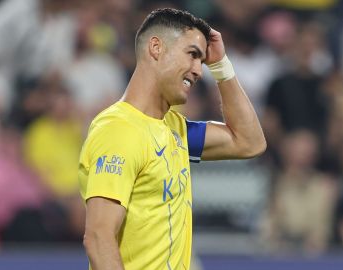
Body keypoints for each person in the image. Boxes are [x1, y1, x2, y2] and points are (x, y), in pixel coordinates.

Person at [78, 8, 266, 270]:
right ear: (156, 47)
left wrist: (221, 66)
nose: (199, 70)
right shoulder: (118, 130)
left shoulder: (175, 129)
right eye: (192, 55)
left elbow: (250, 142)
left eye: (202, 61)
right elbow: (99, 239)